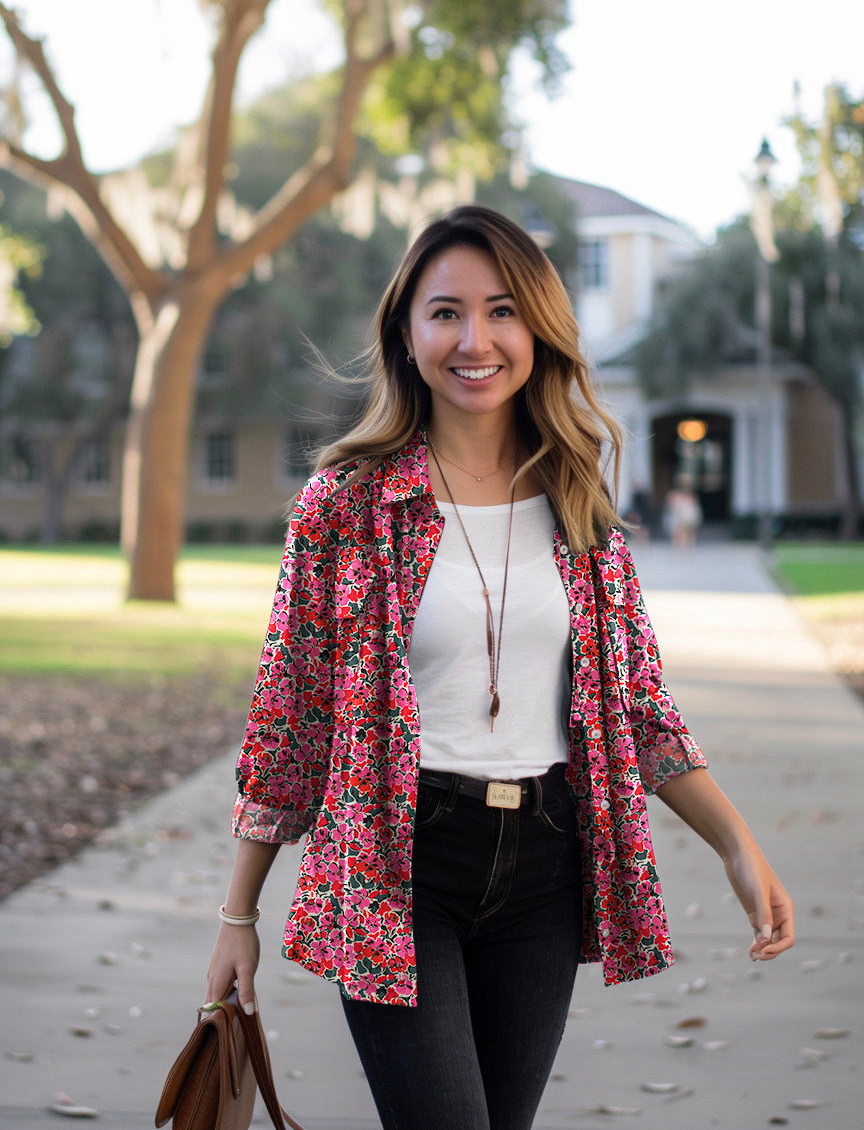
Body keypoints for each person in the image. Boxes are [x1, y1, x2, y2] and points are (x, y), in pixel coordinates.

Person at [206, 206, 794, 1130]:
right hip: (400, 863)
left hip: (545, 868)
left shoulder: (577, 502)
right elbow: (290, 716)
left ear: (539, 331)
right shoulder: (346, 508)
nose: (474, 339)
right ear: (407, 333)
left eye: (503, 310)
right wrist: (237, 915)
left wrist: (735, 844)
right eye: (446, 312)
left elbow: (637, 705)